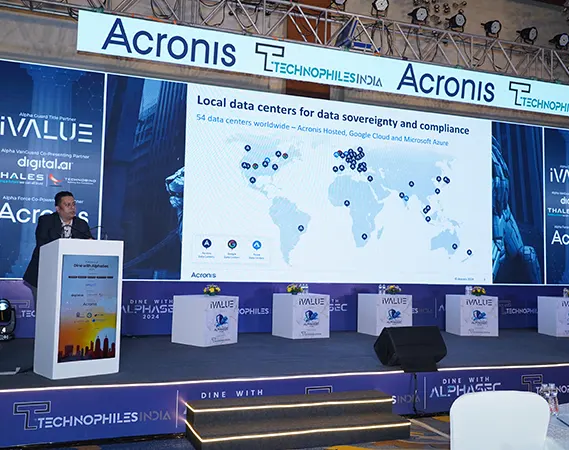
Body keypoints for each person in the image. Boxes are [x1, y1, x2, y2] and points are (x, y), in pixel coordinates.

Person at [23, 191, 93, 294]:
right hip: (44, 274)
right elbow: (43, 245)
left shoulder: (81, 224)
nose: (72, 207)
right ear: (58, 208)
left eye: (73, 204)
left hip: (72, 276)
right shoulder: (46, 221)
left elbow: (90, 243)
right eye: (67, 205)